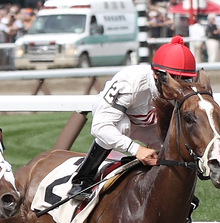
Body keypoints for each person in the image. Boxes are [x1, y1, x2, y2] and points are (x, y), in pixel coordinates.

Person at [65, 38, 197, 204]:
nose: (175, 88)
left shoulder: (186, 90)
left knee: (174, 145)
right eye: (170, 80)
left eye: (183, 80)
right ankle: (82, 179)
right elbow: (100, 127)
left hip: (148, 125)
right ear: (156, 74)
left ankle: (182, 195)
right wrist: (136, 149)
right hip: (117, 119)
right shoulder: (131, 82)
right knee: (123, 126)